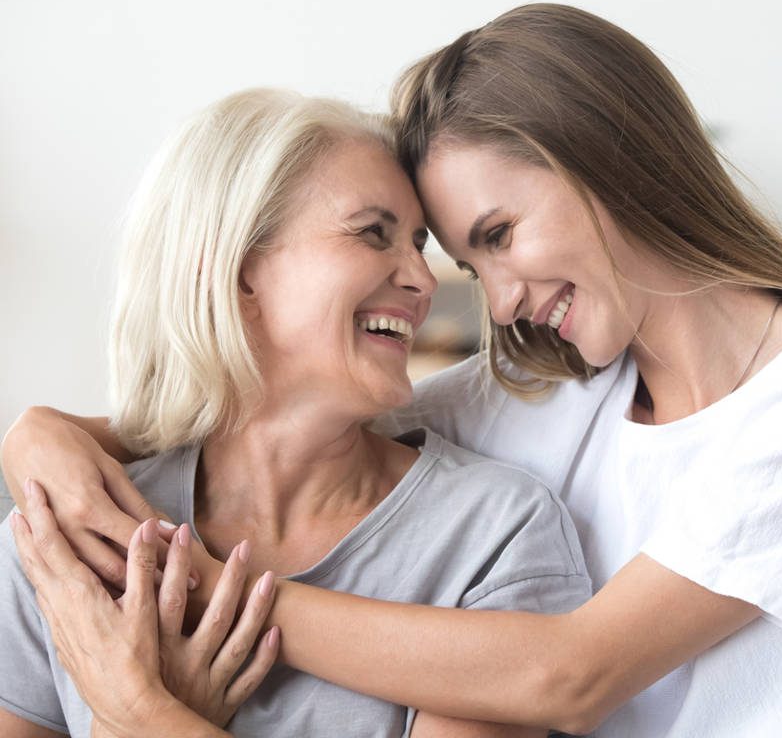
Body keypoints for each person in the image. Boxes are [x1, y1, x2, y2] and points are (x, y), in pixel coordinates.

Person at [4, 3, 782, 736]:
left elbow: (572, 674)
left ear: (608, 160)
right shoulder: (560, 388)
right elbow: (281, 423)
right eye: (464, 257)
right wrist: (45, 437)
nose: (494, 304)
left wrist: (151, 692)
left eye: (499, 233)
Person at [0, 88, 592, 737]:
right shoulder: (69, 536)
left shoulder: (490, 535)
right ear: (238, 273)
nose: (423, 280)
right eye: (373, 233)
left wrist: (143, 717)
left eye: (420, 244)